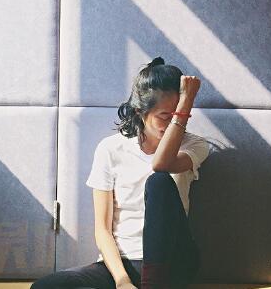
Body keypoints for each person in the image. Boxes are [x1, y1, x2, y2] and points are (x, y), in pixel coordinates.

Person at [30, 56, 210, 289]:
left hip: (172, 263)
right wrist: (122, 281)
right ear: (140, 111)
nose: (173, 124)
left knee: (158, 181)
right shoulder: (110, 148)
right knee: (45, 287)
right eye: (166, 116)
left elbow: (161, 164)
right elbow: (102, 229)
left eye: (180, 116)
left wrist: (187, 100)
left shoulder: (194, 145)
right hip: (122, 264)